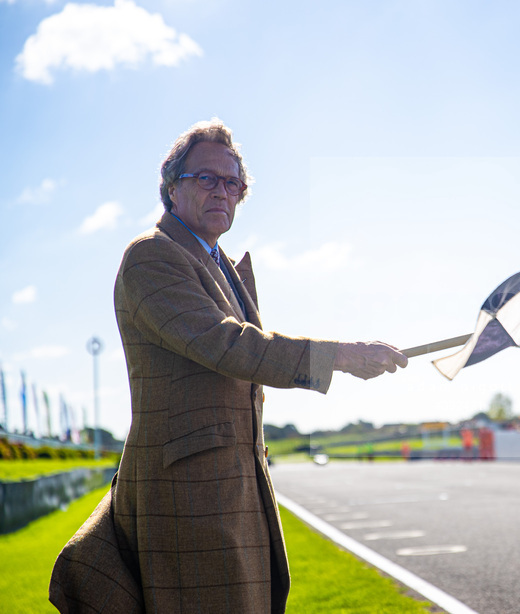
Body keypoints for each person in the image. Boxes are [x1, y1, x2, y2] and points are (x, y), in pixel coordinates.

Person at [50, 120, 407, 613]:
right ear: (172, 186)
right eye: (206, 179)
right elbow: (228, 345)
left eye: (232, 183)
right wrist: (338, 356)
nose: (223, 191)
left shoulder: (217, 262)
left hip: (237, 493)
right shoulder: (151, 256)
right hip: (188, 502)